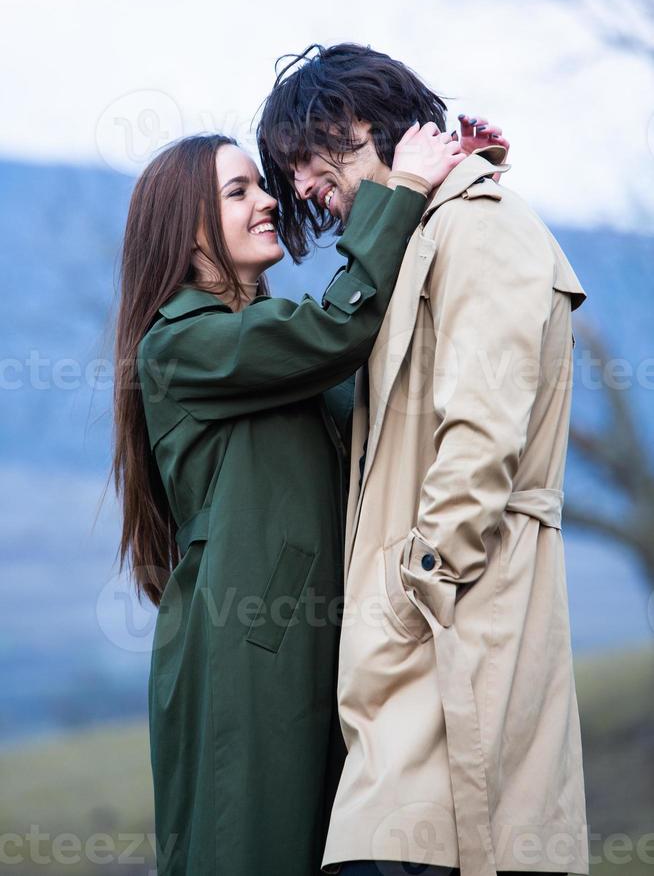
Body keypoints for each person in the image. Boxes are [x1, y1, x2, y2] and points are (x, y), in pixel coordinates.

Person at [257, 42, 589, 876]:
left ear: (363, 122)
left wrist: (423, 584)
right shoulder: (423, 237)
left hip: (458, 637)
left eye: (305, 155)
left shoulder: (480, 227)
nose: (297, 185)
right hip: (402, 660)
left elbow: (483, 433)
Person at [112, 124, 466, 875]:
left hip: (327, 635)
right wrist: (400, 191)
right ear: (187, 226)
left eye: (260, 185)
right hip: (248, 646)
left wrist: (456, 187)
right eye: (237, 191)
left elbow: (374, 372)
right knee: (256, 851)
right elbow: (341, 325)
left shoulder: (269, 346)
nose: (267, 201)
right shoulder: (178, 344)